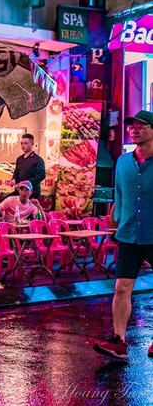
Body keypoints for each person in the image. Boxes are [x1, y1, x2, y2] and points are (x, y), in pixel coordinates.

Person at [93, 110, 153, 361]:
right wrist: (113, 221)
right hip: (129, 233)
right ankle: (119, 341)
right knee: (121, 288)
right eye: (132, 126)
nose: (134, 129)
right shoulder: (122, 162)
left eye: (141, 126)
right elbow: (118, 194)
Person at [11, 133, 45, 199]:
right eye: (21, 143)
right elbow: (16, 172)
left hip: (32, 192)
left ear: (32, 143)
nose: (23, 145)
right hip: (19, 191)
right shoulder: (19, 159)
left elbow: (42, 175)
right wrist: (13, 179)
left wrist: (29, 182)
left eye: (25, 143)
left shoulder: (37, 159)